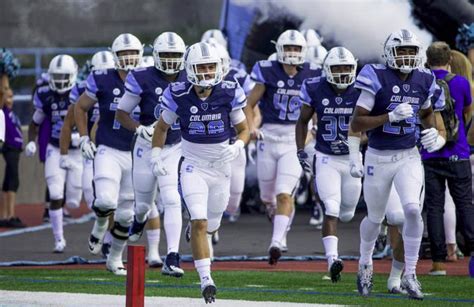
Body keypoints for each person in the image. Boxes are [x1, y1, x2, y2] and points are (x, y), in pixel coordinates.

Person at [349, 29, 445, 300]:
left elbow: (428, 112)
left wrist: (435, 133)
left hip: (408, 155)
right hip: (378, 156)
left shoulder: (425, 78)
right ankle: (365, 262)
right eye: (401, 50)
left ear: (418, 54)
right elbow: (357, 123)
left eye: (410, 50)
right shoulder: (375, 75)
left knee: (413, 211)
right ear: (389, 52)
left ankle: (410, 274)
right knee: (375, 217)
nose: (406, 55)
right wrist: (388, 117)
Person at [151, 42, 249, 303]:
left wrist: (238, 145)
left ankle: (197, 231)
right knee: (200, 221)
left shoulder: (229, 90)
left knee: (212, 225)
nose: (207, 72)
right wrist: (155, 154)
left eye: (211, 66)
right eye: (201, 67)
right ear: (190, 69)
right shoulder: (178, 92)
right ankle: (206, 279)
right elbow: (161, 128)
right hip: (193, 165)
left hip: (221, 167)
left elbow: (244, 129)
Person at [244, 29, 321, 264]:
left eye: (296, 48)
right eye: (288, 48)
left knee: (284, 193)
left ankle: (276, 242)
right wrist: (252, 128)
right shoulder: (267, 70)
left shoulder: (312, 73)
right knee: (269, 198)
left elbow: (317, 106)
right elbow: (249, 105)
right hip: (269, 137)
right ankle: (277, 221)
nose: (291, 53)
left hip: (293, 138)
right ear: (278, 49)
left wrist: (312, 131)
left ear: (303, 51)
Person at [117, 31, 187, 274]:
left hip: (175, 147)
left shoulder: (191, 77)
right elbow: (121, 112)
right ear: (155, 55)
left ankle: (172, 256)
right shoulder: (142, 77)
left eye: (175, 55)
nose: (170, 60)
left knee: (172, 199)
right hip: (146, 147)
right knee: (143, 205)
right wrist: (139, 129)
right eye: (165, 54)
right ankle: (139, 219)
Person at [75, 33, 143, 275]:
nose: (129, 58)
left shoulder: (149, 78)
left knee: (126, 215)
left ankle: (114, 258)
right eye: (124, 54)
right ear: (115, 56)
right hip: (109, 148)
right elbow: (80, 107)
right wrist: (83, 137)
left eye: (132, 53)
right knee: (105, 200)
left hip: (137, 154)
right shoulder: (102, 78)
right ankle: (101, 222)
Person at [296, 47, 361, 282]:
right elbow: (302, 121)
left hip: (351, 157)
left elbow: (370, 127)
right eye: (338, 68)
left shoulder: (363, 88)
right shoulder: (315, 87)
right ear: (327, 70)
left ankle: (381, 231)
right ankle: (333, 260)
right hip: (326, 157)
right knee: (331, 208)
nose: (343, 73)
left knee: (347, 213)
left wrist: (358, 141)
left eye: (346, 68)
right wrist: (301, 150)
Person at [423, 41, 474, 277]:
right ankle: (472, 256)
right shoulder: (461, 82)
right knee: (465, 205)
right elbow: (466, 111)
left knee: (434, 208)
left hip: (430, 153)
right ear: (449, 59)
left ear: (427, 59)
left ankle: (438, 263)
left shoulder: (421, 81)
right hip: (458, 152)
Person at [25, 54, 83, 253]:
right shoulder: (45, 94)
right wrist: (31, 141)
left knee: (76, 200)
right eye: (56, 76)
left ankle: (105, 239)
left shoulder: (83, 91)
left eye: (63, 76)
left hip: (78, 152)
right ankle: (59, 240)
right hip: (55, 148)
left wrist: (83, 137)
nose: (59, 81)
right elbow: (35, 123)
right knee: (56, 193)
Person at [0, 88, 26, 228]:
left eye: (12, 96)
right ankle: (10, 215)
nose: (11, 100)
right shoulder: (2, 112)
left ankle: (4, 216)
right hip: (9, 148)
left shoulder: (10, 113)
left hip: (15, 149)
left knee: (8, 181)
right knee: (13, 180)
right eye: (7, 97)